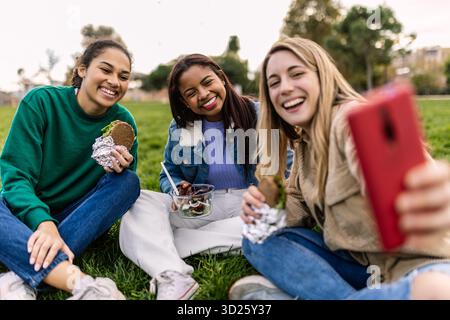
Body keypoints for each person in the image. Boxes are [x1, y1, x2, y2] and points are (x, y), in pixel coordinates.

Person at [229, 37, 450, 300]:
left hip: (423, 269)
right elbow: (297, 207)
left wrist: (420, 191)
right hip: (364, 270)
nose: (285, 88)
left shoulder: (350, 120)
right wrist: (266, 207)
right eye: (274, 83)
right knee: (255, 239)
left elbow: (400, 177)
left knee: (435, 291)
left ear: (322, 76)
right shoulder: (304, 143)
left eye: (297, 74)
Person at [119, 53, 273, 300]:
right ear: (184, 100)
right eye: (190, 93)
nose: (202, 94)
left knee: (274, 223)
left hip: (250, 207)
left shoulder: (258, 114)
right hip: (202, 207)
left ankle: (166, 245)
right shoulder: (182, 127)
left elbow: (281, 174)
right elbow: (169, 171)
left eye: (207, 82)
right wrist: (176, 188)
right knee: (139, 202)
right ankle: (174, 274)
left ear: (221, 78)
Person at [0, 39, 140, 300]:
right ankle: (82, 284)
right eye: (106, 70)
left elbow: (114, 196)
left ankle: (23, 270)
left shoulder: (124, 122)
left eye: (123, 76)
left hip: (75, 216)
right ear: (82, 69)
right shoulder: (41, 102)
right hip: (24, 211)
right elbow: (16, 175)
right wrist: (43, 223)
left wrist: (121, 169)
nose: (114, 81)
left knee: (129, 182)